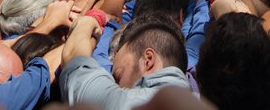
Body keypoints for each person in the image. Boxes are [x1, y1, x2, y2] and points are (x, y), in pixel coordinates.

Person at [60, 14, 190, 106]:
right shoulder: (201, 101)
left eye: (118, 76)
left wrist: (86, 22)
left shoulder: (126, 103)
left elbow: (74, 61)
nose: (114, 85)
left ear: (148, 61)